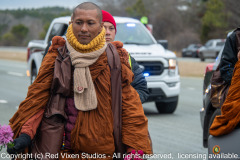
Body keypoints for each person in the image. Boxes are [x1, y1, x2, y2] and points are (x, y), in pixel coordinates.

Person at [7, 2, 152, 159]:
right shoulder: (56, 56)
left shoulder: (115, 59)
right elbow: (37, 101)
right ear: (71, 24)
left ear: (100, 26)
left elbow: (130, 110)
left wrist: (134, 150)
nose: (84, 28)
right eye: (79, 22)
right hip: (58, 151)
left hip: (101, 152)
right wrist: (25, 134)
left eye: (90, 23)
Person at [101, 10, 149, 103]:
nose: (107, 32)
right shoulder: (83, 56)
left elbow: (142, 89)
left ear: (115, 32)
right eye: (103, 28)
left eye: (111, 28)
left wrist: (125, 103)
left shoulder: (125, 57)